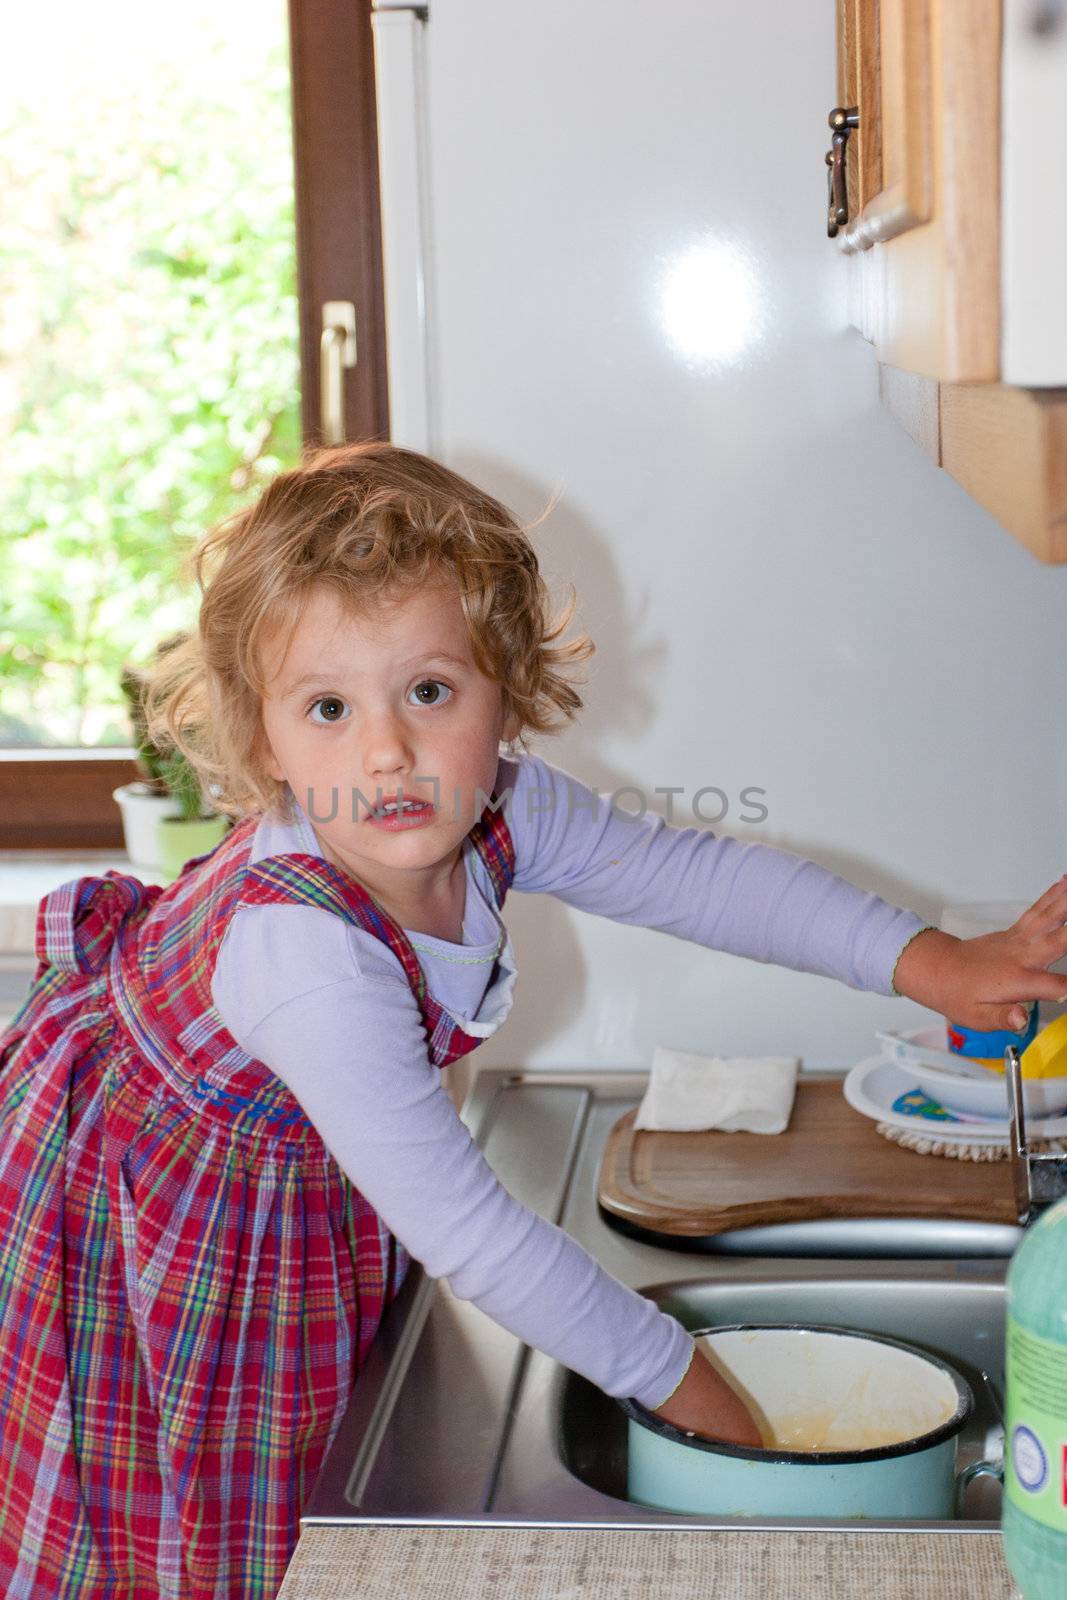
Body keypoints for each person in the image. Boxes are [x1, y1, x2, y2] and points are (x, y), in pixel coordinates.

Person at [2, 441, 1065, 1600]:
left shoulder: (502, 807)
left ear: (501, 685)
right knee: (187, 1522)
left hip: (306, 1197)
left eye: (428, 690)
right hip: (143, 1219)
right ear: (263, 741)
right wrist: (686, 1387)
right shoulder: (303, 954)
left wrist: (935, 963)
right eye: (326, 706)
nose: (386, 751)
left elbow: (704, 881)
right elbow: (470, 1234)